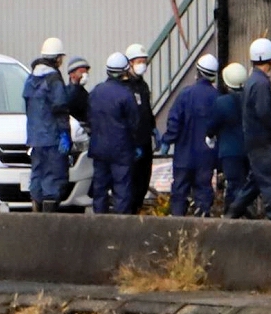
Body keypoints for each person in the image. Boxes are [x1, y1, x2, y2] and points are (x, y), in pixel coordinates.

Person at [227, 38, 271, 221]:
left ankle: (232, 213)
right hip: (262, 141)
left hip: (252, 140)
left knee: (255, 182)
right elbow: (264, 113)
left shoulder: (251, 81)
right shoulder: (262, 84)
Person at [161, 54, 220, 216]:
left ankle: (177, 228)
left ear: (198, 73)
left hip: (184, 155)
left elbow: (174, 121)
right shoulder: (217, 98)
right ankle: (201, 226)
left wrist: (166, 140)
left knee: (179, 192)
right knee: (203, 190)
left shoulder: (185, 95)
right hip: (206, 157)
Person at [87, 53, 141, 215]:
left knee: (100, 188)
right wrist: (137, 144)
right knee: (122, 189)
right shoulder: (126, 95)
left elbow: (89, 117)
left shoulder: (96, 91)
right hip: (121, 150)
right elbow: (134, 123)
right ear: (124, 72)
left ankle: (100, 222)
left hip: (99, 147)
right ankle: (120, 227)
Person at [22, 37, 70, 212]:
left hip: (35, 138)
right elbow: (61, 107)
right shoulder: (53, 79)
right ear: (57, 58)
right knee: (53, 177)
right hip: (52, 137)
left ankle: (36, 209)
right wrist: (65, 133)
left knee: (37, 175)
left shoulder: (31, 78)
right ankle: (49, 217)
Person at [207, 62, 249, 213]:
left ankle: (232, 216)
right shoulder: (250, 99)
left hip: (229, 151)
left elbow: (212, 125)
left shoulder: (221, 102)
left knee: (233, 185)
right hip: (250, 149)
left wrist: (209, 136)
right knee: (247, 185)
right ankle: (245, 213)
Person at [124, 43, 157, 214]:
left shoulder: (142, 85)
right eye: (139, 61)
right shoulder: (125, 86)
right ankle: (129, 210)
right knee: (132, 178)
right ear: (130, 63)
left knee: (144, 177)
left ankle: (137, 206)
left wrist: (153, 127)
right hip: (132, 140)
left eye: (144, 61)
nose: (142, 65)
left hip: (145, 139)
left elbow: (146, 109)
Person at [65, 56, 90, 128]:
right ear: (72, 74)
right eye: (81, 72)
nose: (85, 75)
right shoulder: (67, 92)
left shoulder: (84, 93)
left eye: (86, 72)